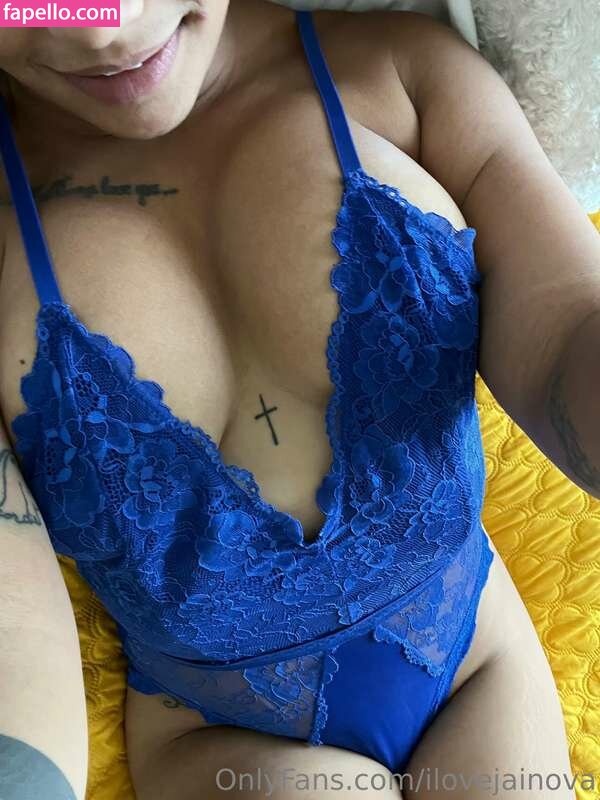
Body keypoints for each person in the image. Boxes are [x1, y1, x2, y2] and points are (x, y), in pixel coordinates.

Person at [1, 1, 598, 798]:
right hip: (217, 732)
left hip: (474, 659)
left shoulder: (403, 78)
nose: (103, 28)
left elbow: (565, 328)